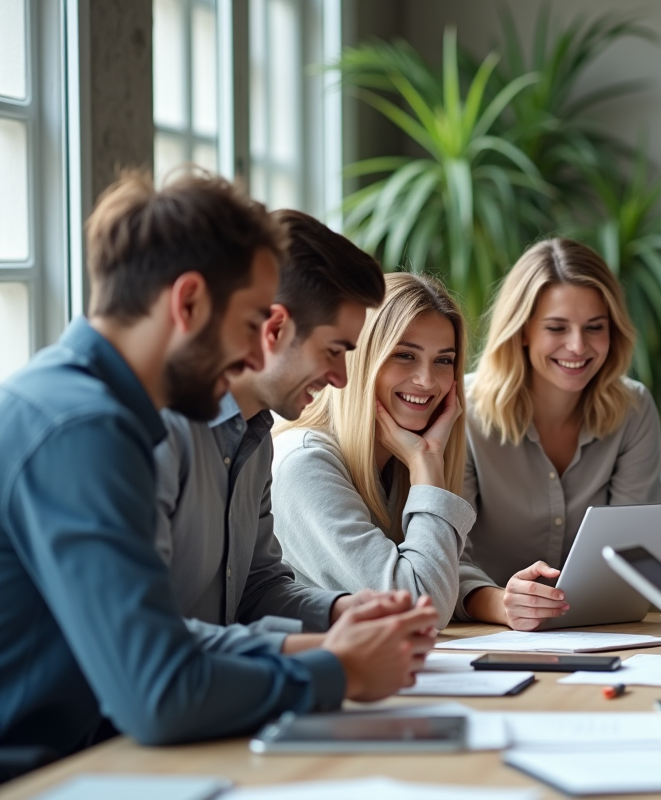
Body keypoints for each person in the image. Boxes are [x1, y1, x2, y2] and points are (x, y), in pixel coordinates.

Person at [0, 172, 436, 757]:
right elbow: (158, 690)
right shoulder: (85, 429)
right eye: (255, 323)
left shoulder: (101, 412)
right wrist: (338, 671)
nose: (259, 352)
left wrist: (334, 638)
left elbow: (171, 643)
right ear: (188, 304)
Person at [155, 210, 392, 654]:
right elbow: (151, 637)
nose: (342, 378)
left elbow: (256, 588)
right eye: (333, 351)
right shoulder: (158, 432)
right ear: (276, 328)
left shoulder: (257, 437)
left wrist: (342, 611)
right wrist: (324, 657)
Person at [454, 238, 661, 630]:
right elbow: (445, 558)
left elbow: (633, 555)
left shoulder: (633, 410)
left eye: (594, 328)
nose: (577, 346)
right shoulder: (463, 412)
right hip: (486, 633)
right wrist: (504, 604)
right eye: (556, 327)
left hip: (602, 629)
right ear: (522, 331)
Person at [272, 272, 474, 630]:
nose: (427, 380)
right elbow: (420, 606)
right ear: (362, 360)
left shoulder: (397, 458)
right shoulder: (305, 462)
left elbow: (438, 574)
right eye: (405, 355)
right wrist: (428, 467)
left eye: (443, 360)